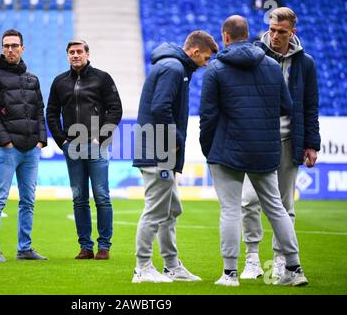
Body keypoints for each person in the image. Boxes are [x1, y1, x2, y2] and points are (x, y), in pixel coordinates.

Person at [199, 15, 308, 287]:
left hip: (227, 150)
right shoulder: (272, 66)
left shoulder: (216, 69)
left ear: (225, 36)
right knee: (277, 208)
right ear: (247, 35)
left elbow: (207, 116)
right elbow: (286, 106)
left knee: (230, 210)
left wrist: (208, 148)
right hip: (265, 149)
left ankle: (230, 274)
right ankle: (294, 270)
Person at [240, 7, 320, 281]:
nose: (274, 36)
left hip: (289, 142)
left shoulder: (305, 63)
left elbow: (310, 105)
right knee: (249, 201)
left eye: (281, 32)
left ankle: (280, 260)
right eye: (272, 30)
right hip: (257, 141)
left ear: (292, 32)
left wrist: (312, 143)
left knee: (285, 206)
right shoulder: (254, 56)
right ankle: (251, 258)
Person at [132, 31, 219, 283]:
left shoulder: (173, 66)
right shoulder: (173, 68)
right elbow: (160, 108)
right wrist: (175, 142)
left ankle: (171, 265)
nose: (207, 62)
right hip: (158, 152)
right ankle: (143, 268)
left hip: (158, 150)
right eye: (206, 56)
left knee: (171, 208)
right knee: (156, 210)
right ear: (194, 51)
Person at [46, 39, 122, 260]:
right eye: (71, 52)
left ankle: (104, 246)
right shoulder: (59, 82)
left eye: (79, 51)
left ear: (87, 54)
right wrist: (62, 141)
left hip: (97, 146)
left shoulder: (102, 78)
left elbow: (115, 109)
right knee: (79, 198)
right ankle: (86, 247)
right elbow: (51, 112)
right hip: (73, 147)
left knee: (101, 196)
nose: (76, 55)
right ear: (67, 55)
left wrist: (102, 136)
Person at [0, 29, 47, 262]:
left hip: (32, 149)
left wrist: (41, 140)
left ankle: (25, 249)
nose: (10, 49)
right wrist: (5, 141)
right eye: (6, 46)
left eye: (15, 45)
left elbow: (40, 111)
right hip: (9, 149)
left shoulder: (32, 79)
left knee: (28, 200)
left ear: (22, 48)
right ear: (2, 48)